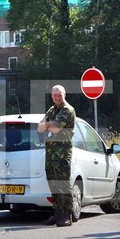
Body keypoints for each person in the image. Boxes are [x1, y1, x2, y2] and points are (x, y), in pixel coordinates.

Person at [37, 84, 75, 227]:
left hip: (62, 153)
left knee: (63, 184)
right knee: (53, 183)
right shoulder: (52, 110)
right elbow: (40, 128)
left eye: (59, 95)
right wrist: (48, 124)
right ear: (52, 96)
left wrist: (47, 125)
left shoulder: (67, 110)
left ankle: (67, 215)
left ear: (64, 95)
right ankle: (58, 213)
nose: (57, 97)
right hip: (50, 153)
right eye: (55, 95)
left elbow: (56, 128)